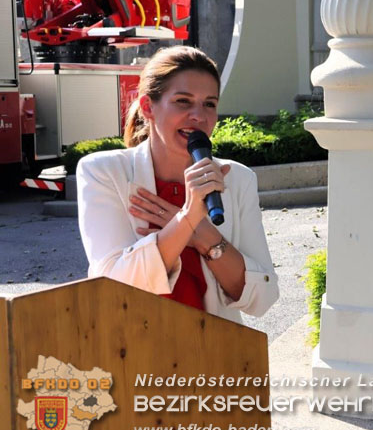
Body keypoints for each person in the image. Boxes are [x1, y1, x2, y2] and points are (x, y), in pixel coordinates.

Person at [77, 46, 278, 323]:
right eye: (183, 101)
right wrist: (188, 218)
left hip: (215, 356)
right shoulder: (104, 172)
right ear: (148, 107)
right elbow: (112, 284)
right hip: (131, 355)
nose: (199, 116)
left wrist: (206, 237)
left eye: (210, 103)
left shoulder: (238, 179)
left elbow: (263, 297)